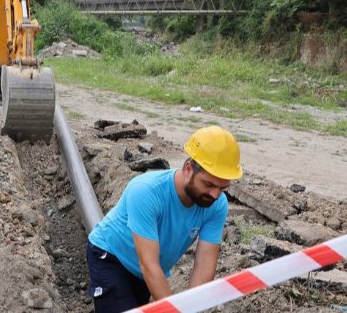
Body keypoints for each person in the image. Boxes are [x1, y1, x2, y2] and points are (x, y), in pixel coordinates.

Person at [85, 125, 243, 312]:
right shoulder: (146, 191)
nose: (215, 194)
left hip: (144, 272)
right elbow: (149, 264)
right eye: (208, 184)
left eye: (222, 188)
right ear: (188, 169)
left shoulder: (217, 205)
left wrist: (192, 308)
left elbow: (205, 264)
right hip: (111, 258)